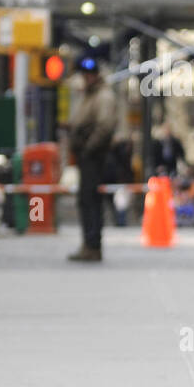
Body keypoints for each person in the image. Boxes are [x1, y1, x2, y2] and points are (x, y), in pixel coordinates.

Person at [66, 58, 118, 262]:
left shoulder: (103, 96)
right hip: (87, 155)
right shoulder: (90, 95)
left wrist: (89, 148)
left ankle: (93, 245)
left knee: (91, 201)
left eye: (89, 74)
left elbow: (104, 127)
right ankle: (89, 243)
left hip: (95, 156)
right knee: (86, 200)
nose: (86, 78)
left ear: (96, 75)